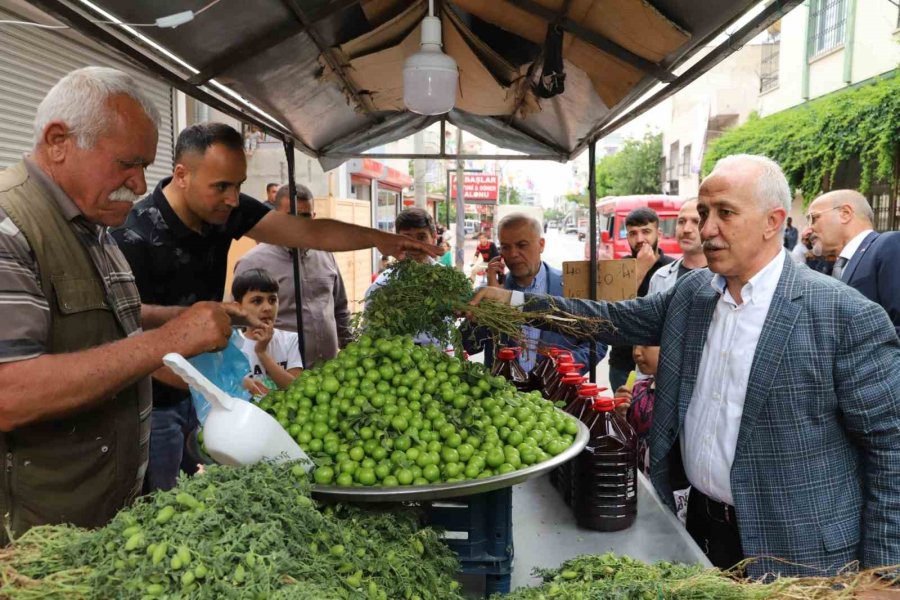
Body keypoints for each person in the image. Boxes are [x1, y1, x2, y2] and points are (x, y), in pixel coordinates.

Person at [468, 154, 900, 577]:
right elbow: (614, 319)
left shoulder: (843, 315)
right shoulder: (693, 293)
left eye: (725, 213)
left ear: (773, 221)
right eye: (704, 211)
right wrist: (517, 303)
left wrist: (886, 574)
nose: (707, 229)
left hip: (799, 556)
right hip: (702, 532)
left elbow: (892, 448)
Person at [112, 122, 440, 493]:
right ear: (182, 175)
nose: (234, 199)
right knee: (162, 505)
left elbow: (310, 233)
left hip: (207, 402)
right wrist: (208, 388)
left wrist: (384, 241)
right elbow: (125, 337)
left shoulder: (224, 211)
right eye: (222, 186)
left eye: (238, 185)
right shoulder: (132, 237)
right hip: (155, 407)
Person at [0, 67, 238, 542]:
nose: (140, 181)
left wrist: (174, 321)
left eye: (146, 165)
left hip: (98, 522)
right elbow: (8, 391)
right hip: (32, 541)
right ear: (58, 140)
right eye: (127, 163)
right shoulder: (10, 230)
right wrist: (168, 340)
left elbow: (100, 322)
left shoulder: (94, 229)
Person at [463, 214, 605, 374]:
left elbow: (597, 343)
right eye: (505, 247)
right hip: (501, 394)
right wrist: (488, 308)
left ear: (541, 244)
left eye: (521, 245)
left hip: (556, 391)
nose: (513, 254)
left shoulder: (571, 287)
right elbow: (468, 346)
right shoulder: (489, 292)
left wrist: (565, 365)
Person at [234, 184, 352, 368]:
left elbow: (340, 308)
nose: (299, 223)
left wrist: (350, 347)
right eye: (291, 216)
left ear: (314, 218)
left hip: (329, 372)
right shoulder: (253, 263)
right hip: (278, 374)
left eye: (305, 216)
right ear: (275, 216)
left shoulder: (325, 255)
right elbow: (238, 320)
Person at [807, 189, 900, 335]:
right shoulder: (831, 267)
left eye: (814, 218)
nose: (809, 229)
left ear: (845, 213)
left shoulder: (888, 245)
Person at [607, 207, 673, 391]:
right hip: (623, 363)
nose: (639, 239)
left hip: (660, 365)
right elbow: (612, 309)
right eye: (633, 234)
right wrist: (640, 269)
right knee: (621, 416)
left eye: (646, 232)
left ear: (658, 233)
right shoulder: (618, 268)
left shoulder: (672, 267)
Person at [232, 268, 303, 395]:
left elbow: (296, 389)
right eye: (257, 301)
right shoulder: (232, 345)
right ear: (238, 307)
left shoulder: (290, 340)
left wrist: (262, 352)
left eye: (272, 300)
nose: (267, 308)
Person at [648, 198, 708, 294]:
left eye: (696, 222)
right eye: (681, 221)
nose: (686, 229)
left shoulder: (726, 279)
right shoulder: (659, 277)